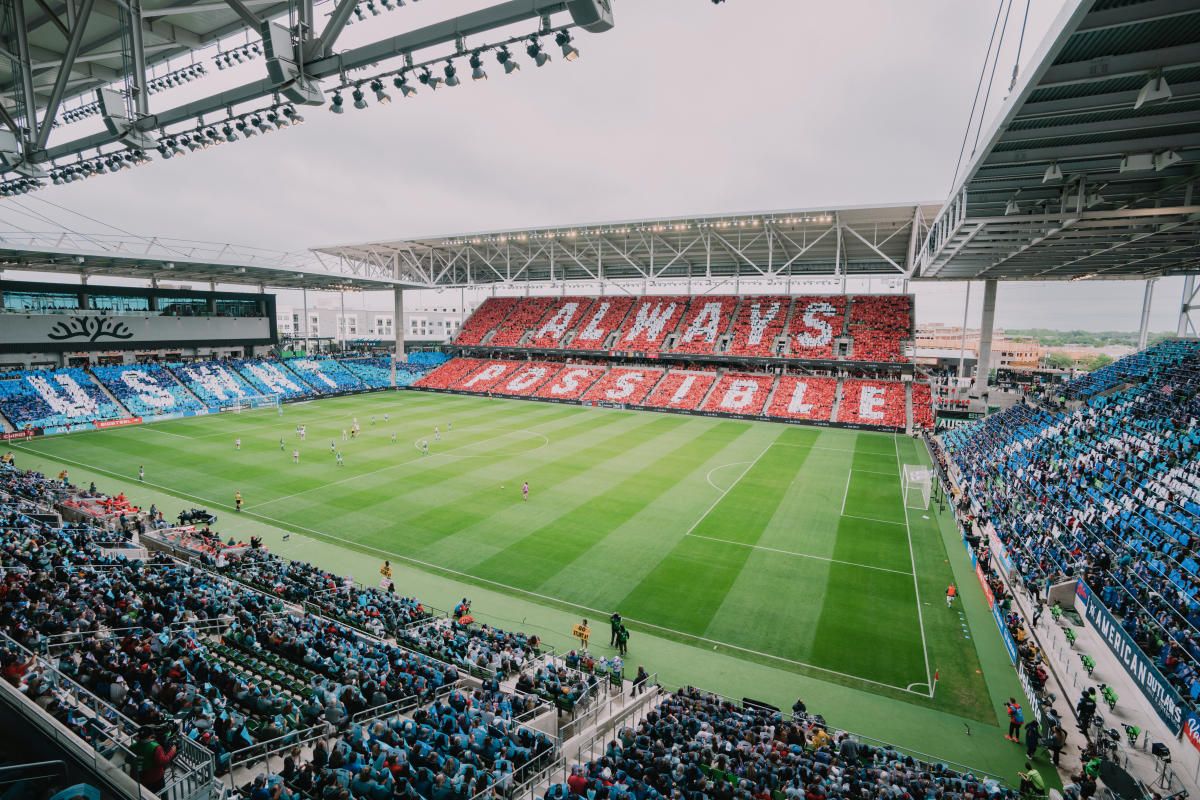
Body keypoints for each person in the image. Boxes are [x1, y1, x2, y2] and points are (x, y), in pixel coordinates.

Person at [134, 726, 177, 792]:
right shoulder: (156, 747)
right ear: (151, 736)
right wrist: (172, 751)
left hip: (140, 776)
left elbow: (127, 759)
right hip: (155, 777)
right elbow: (163, 761)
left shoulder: (134, 746)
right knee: (161, 792)